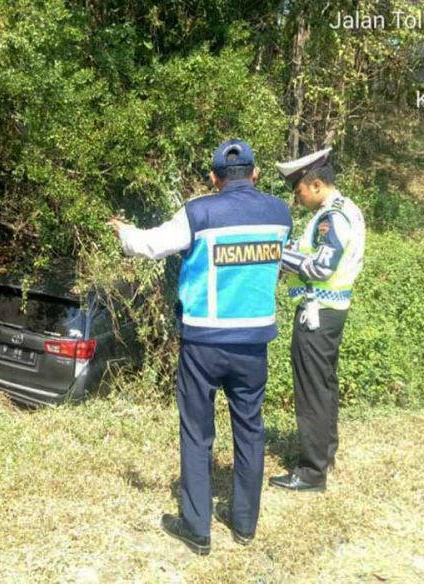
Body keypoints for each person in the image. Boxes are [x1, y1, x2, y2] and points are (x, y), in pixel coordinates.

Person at [109, 139, 292, 555]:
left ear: (213, 178)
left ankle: (197, 527)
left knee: (196, 432)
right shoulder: (280, 214)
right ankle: (244, 524)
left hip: (203, 342)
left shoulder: (199, 211)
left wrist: (125, 233)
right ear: (256, 173)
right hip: (253, 344)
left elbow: (151, 245)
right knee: (250, 430)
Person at [269, 148, 366, 492]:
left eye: (299, 193)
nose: (297, 200)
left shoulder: (331, 218)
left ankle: (311, 473)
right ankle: (325, 454)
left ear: (316, 185)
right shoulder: (344, 209)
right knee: (324, 384)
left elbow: (321, 267)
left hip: (316, 313)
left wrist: (279, 254)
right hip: (329, 311)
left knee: (311, 390)